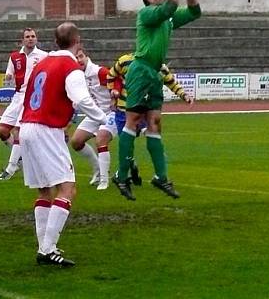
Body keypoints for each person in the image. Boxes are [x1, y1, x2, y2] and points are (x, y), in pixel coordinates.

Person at [20, 22, 106, 267]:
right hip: (47, 129)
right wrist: (102, 118)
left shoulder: (41, 63)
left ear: (56, 41)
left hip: (28, 126)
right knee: (67, 188)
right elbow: (81, 99)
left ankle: (45, 247)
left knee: (44, 189)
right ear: (77, 40)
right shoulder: (71, 66)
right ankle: (47, 250)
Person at [111, 0, 201, 201]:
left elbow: (194, 13)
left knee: (155, 123)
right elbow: (167, 9)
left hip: (154, 73)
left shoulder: (166, 19)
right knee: (132, 121)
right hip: (140, 70)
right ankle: (122, 175)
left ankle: (161, 177)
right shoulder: (148, 14)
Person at [106, 52, 194, 191]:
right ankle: (130, 167)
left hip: (142, 110)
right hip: (123, 110)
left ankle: (157, 164)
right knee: (127, 142)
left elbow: (170, 81)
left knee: (152, 129)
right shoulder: (125, 61)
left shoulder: (158, 65)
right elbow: (111, 75)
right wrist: (113, 93)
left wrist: (183, 94)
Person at [0, 28, 47, 181]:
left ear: (36, 39)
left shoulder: (43, 56)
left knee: (18, 131)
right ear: (22, 40)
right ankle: (22, 159)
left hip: (32, 97)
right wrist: (8, 76)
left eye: (33, 36)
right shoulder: (15, 57)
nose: (30, 39)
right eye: (27, 37)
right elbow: (9, 74)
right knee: (2, 131)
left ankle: (10, 168)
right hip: (18, 97)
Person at [66, 48, 114, 190]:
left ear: (87, 57)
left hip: (111, 113)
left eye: (81, 56)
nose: (79, 60)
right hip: (94, 114)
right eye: (76, 58)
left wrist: (116, 102)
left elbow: (118, 84)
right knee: (76, 142)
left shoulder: (100, 72)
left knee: (101, 139)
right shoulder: (76, 76)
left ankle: (104, 181)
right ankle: (98, 169)